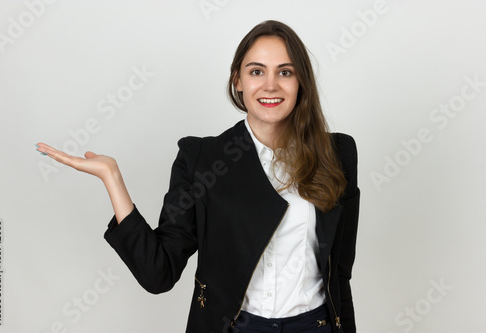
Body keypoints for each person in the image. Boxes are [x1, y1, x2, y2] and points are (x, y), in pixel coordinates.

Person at [36, 20, 360, 333]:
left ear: (301, 80)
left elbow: (339, 274)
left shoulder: (338, 154)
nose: (270, 85)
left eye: (285, 72)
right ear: (238, 80)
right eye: (256, 71)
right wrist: (112, 178)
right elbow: (158, 274)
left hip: (315, 326)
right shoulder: (201, 160)